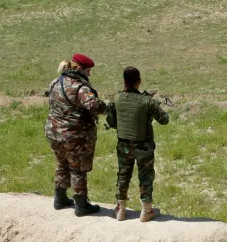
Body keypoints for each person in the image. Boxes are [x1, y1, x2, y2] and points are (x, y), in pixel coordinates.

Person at [45, 53, 108, 216]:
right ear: (79, 69)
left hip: (53, 132)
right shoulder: (80, 87)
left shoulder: (55, 82)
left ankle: (60, 199)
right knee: (77, 167)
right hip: (74, 135)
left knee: (62, 163)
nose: (89, 74)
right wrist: (107, 108)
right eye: (88, 70)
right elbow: (94, 106)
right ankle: (81, 205)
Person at [105, 66, 169, 222]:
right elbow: (164, 120)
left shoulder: (116, 99)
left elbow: (111, 122)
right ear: (139, 82)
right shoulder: (146, 101)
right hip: (144, 147)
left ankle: (120, 210)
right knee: (145, 177)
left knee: (123, 174)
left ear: (124, 82)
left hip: (123, 145)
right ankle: (146, 211)